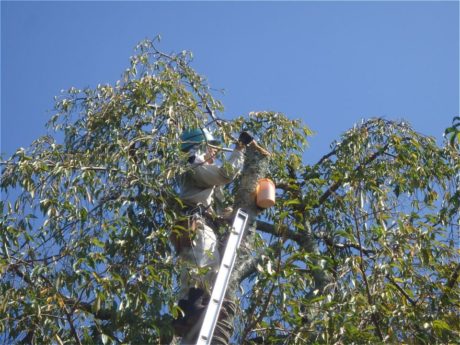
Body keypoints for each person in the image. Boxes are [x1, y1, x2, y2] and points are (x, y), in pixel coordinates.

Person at [171, 128, 253, 337]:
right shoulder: (193, 162)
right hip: (196, 225)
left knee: (210, 269)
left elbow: (212, 203)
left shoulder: (199, 172)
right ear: (199, 146)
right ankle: (188, 311)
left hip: (203, 223)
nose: (214, 154)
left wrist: (227, 215)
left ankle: (195, 309)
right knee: (200, 266)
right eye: (211, 149)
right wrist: (239, 149)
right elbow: (225, 174)